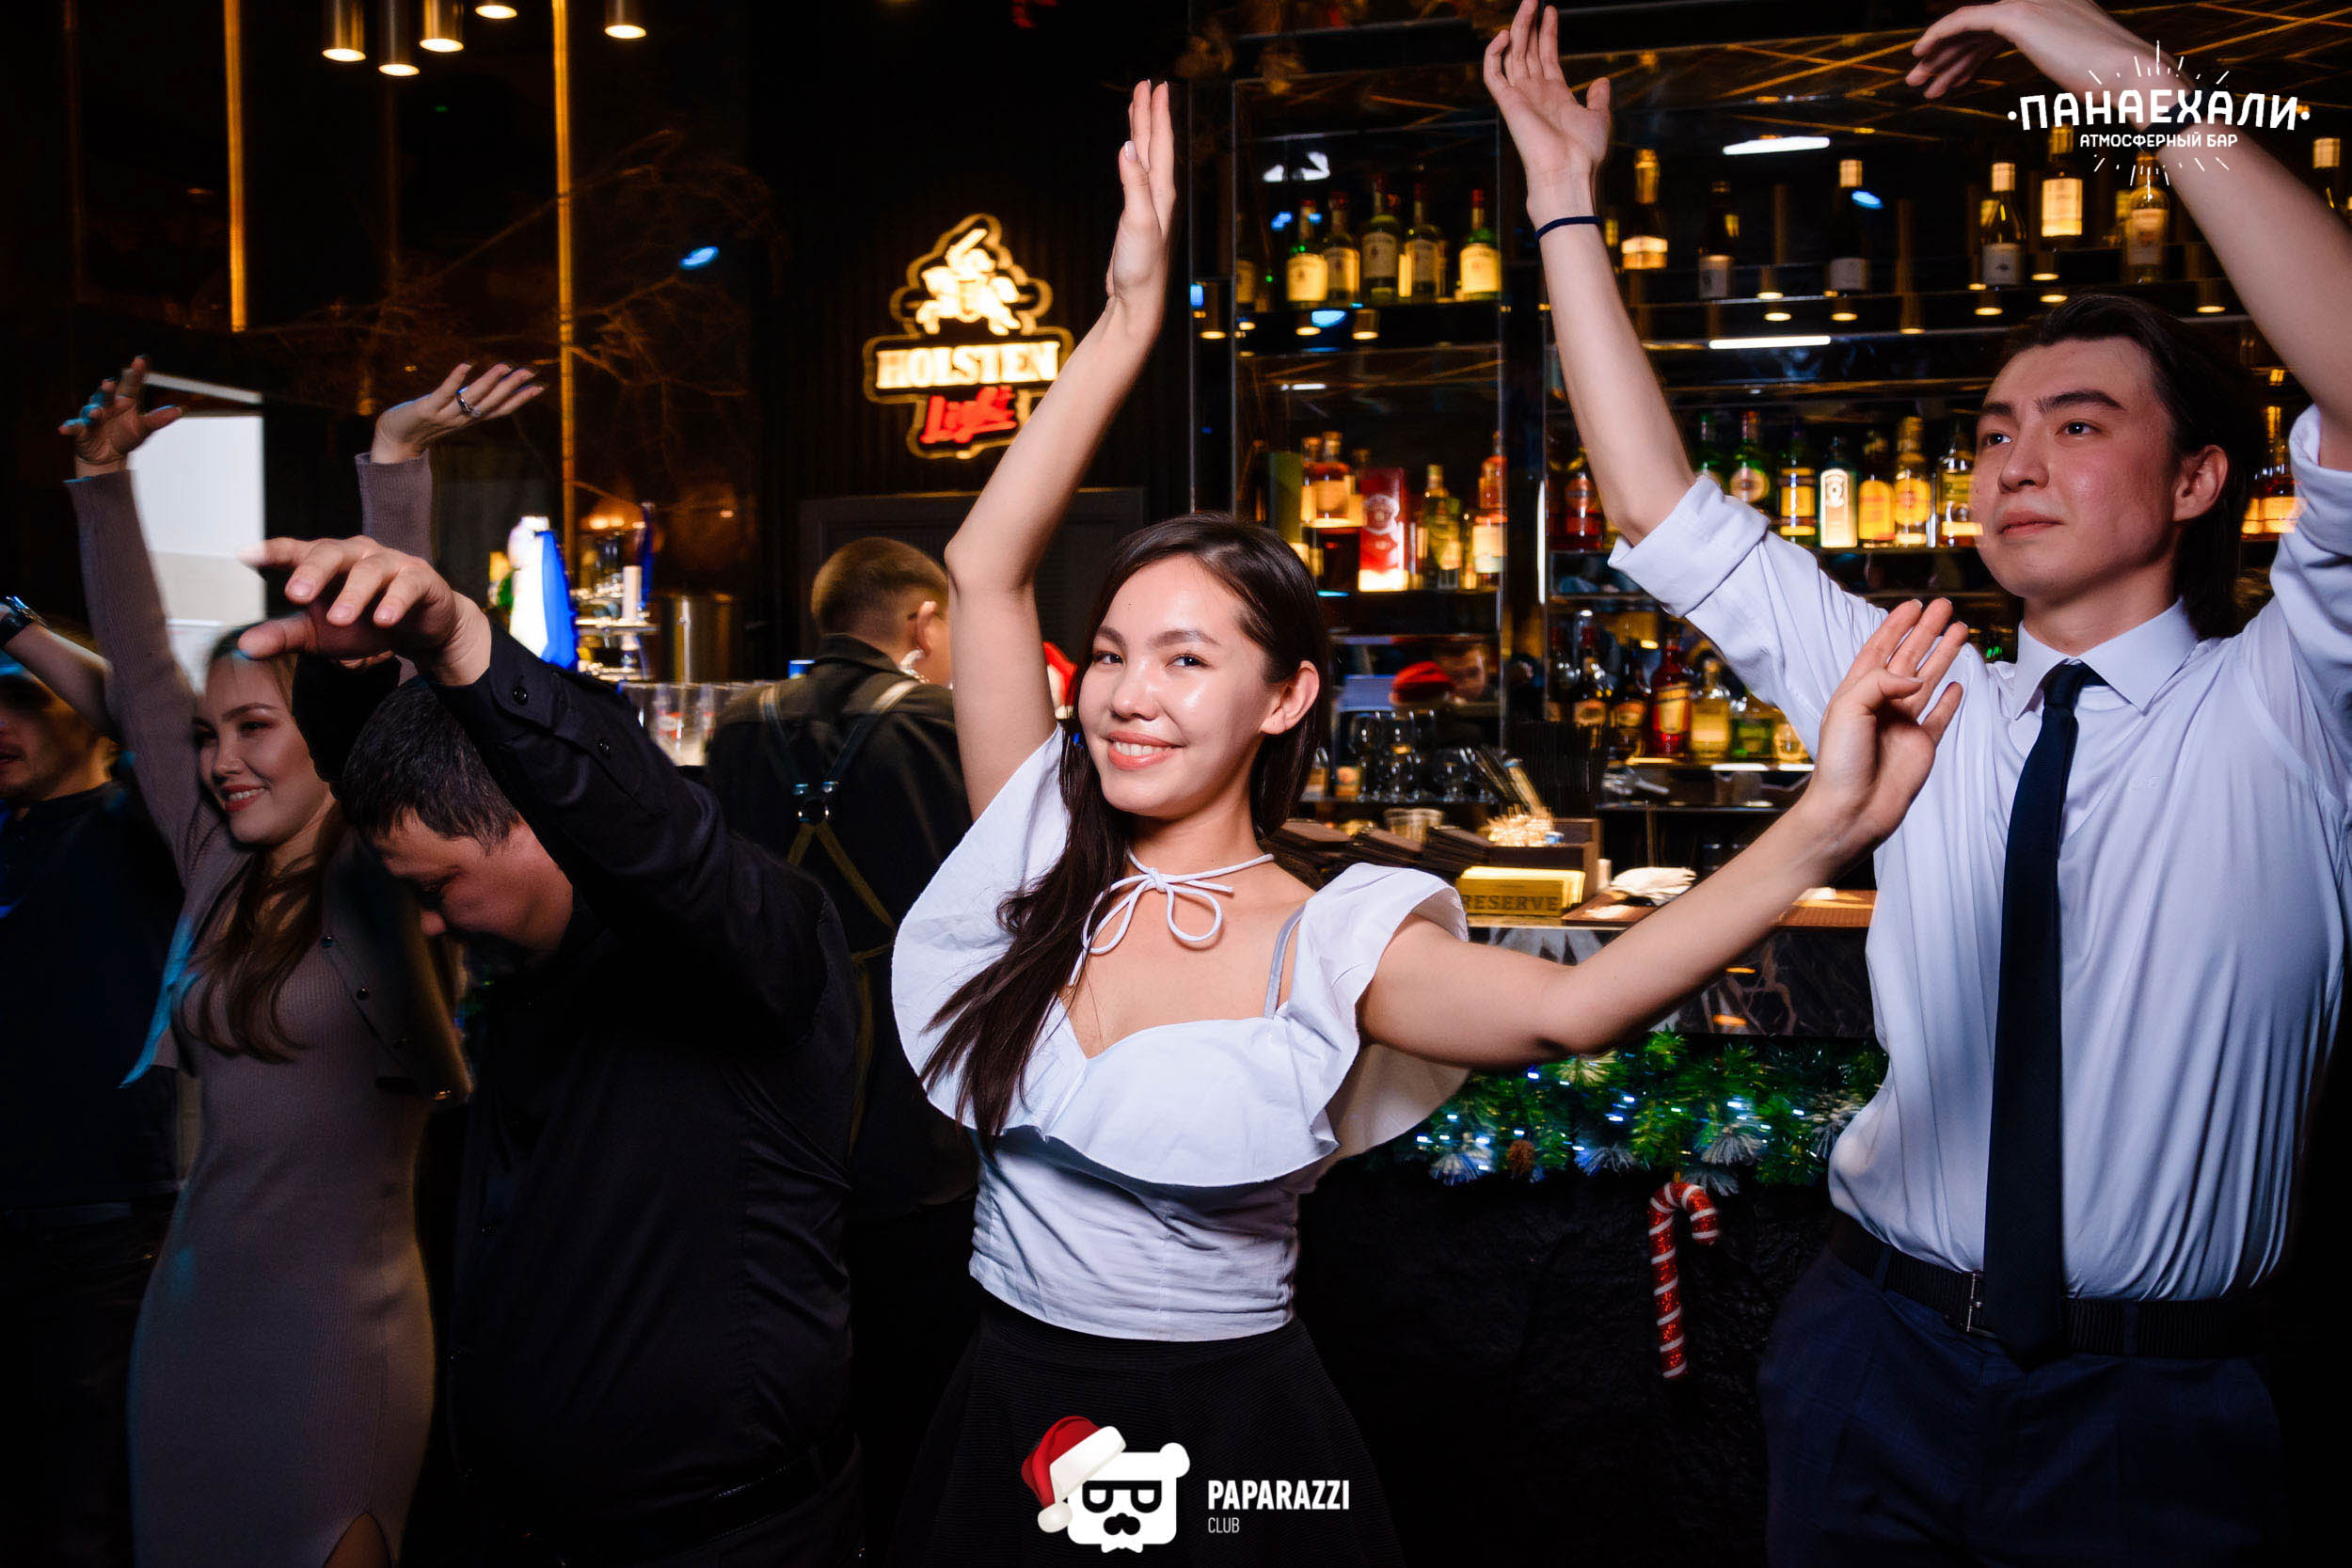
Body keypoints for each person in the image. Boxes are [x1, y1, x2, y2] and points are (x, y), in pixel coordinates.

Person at [883, 80, 1968, 1565]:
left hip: (1235, 1439)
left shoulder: (1331, 934)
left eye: (1188, 659)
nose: (1130, 692)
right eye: (1118, 651)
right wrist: (1128, 320)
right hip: (1010, 1405)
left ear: (1286, 698)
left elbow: (1576, 1007)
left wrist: (1825, 819)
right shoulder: (1037, 848)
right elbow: (983, 565)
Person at [1486, 2, 2352, 1560]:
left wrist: (2103, 60)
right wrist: (1562, 199)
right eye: (1996, 430)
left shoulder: (2295, 697)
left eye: (2077, 425)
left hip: (2153, 1409)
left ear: (2201, 477)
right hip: (1872, 1354)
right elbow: (1661, 508)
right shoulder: (1918, 687)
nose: (2014, 461)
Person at [239, 448, 864, 1566]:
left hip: (720, 1544)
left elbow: (648, 832)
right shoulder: (527, 951)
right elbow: (409, 788)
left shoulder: (750, 939)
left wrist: (466, 644)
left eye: (440, 888)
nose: (431, 922)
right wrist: (354, 672)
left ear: (534, 817)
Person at [57, 357, 531, 1568]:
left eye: (256, 725)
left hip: (337, 1344)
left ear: (318, 731)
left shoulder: (384, 860)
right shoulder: (214, 860)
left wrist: (396, 459)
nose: (223, 759)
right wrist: (101, 480)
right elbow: (140, 670)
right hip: (188, 1322)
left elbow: (401, 662)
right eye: (210, 735)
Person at [707, 537, 979, 1559]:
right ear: (922, 620)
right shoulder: (944, 723)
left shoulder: (740, 725)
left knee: (789, 1380)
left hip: (769, 1093)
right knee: (917, 1384)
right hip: (914, 1106)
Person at [0, 622, 180, 1568]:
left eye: (25, 697)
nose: (1, 722)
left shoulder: (139, 826)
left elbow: (161, 720)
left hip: (102, 1232)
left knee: (89, 1517)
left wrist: (19, 628)